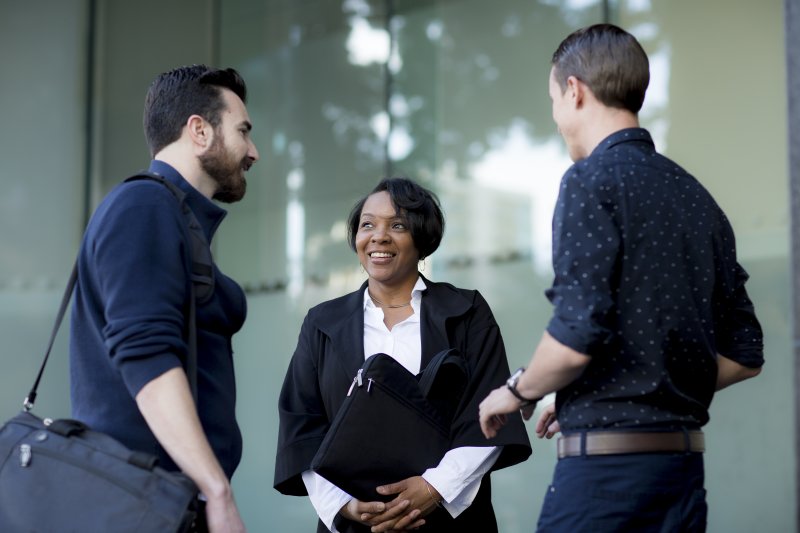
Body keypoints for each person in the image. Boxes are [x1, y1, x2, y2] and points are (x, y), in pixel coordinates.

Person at [478, 23, 764, 532]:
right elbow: (745, 353)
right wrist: (606, 400)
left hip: (602, 481)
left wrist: (515, 391)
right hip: (680, 477)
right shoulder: (698, 199)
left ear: (574, 91)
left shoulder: (589, 181)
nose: (556, 117)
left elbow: (573, 339)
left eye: (553, 99)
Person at [274, 177, 531, 533]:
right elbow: (302, 422)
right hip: (357, 522)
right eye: (367, 225)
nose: (378, 236)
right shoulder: (323, 323)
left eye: (397, 225)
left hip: (450, 521)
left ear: (422, 239)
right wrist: (344, 505)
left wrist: (434, 488)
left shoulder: (465, 311)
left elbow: (488, 413)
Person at [70, 65, 259, 532]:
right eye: (243, 131)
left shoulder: (168, 216)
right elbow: (147, 358)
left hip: (159, 504)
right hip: (146, 507)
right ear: (199, 130)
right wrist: (217, 493)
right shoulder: (145, 207)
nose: (252, 151)